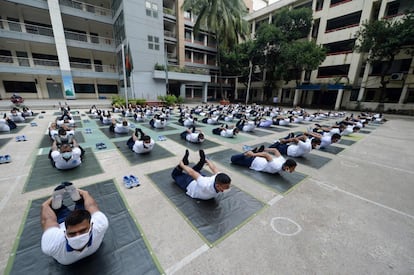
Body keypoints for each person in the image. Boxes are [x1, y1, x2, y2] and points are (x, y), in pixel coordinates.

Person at [41, 182, 109, 265]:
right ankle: (79, 200)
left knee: (57, 212)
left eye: (82, 231)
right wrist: (85, 194)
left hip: (63, 221)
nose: (78, 237)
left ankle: (57, 207)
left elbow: (48, 220)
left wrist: (46, 205)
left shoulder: (51, 244)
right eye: (72, 234)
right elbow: (92, 206)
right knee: (84, 208)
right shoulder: (100, 224)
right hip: (93, 249)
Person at [230, 146, 297, 174]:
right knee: (233, 159)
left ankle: (251, 152)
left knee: (239, 158)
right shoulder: (277, 166)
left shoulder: (282, 161)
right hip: (252, 162)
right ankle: (246, 154)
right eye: (293, 169)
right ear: (287, 167)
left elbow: (275, 150)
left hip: (258, 158)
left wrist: (264, 149)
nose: (293, 170)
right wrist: (253, 154)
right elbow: (266, 155)